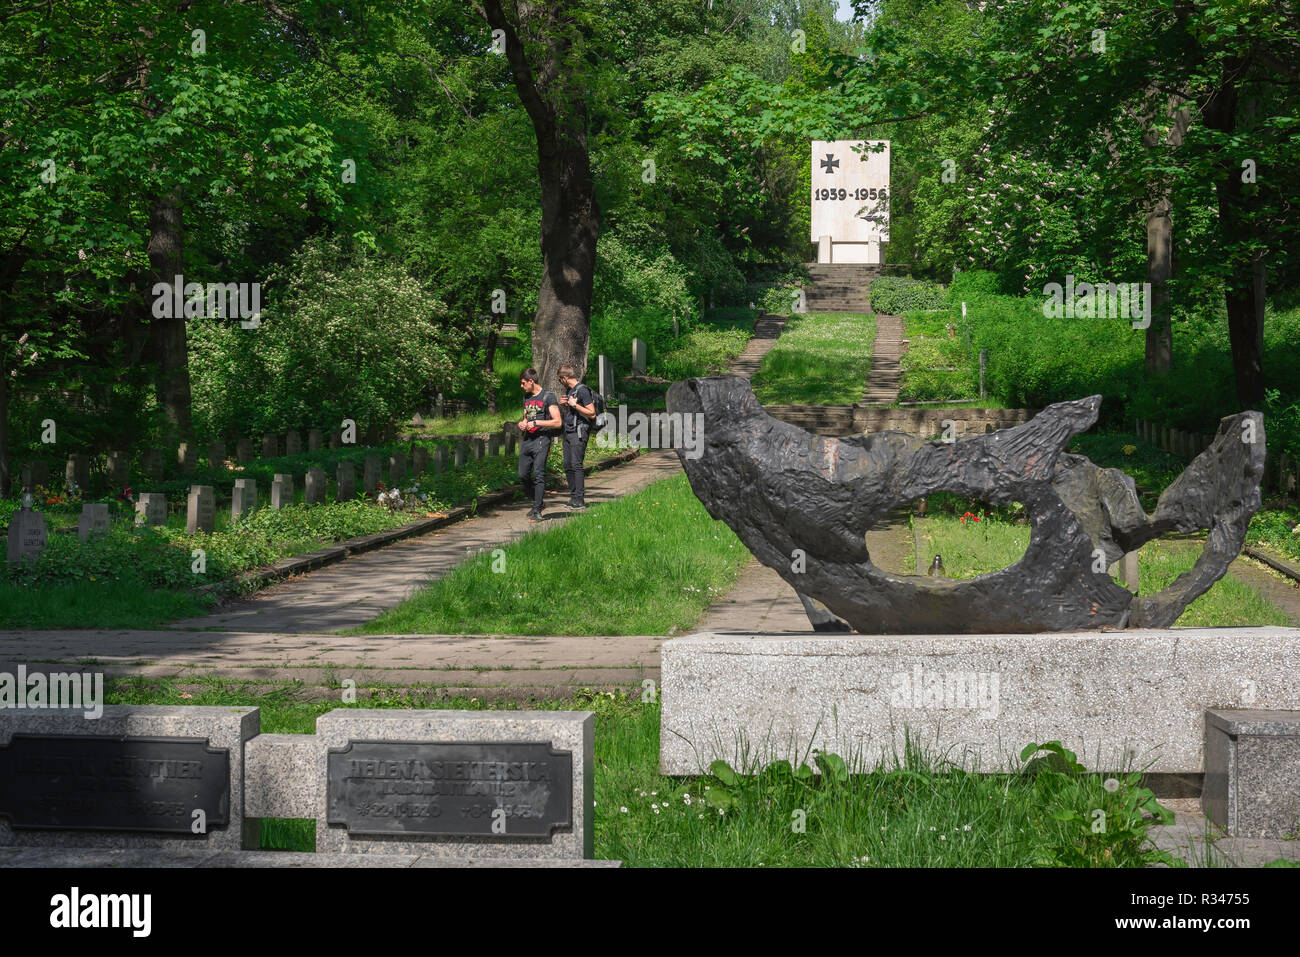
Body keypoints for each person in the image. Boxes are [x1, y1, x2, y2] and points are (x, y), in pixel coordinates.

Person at [516, 368, 562, 522]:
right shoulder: (526, 397)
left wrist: (536, 422)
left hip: (542, 439)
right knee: (522, 475)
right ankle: (539, 502)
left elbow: (557, 421)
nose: (521, 386)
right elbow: (525, 417)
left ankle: (537, 510)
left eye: (523, 383)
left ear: (531, 381)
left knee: (538, 474)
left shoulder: (548, 396)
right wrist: (522, 423)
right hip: (528, 439)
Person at [557, 364, 596, 510]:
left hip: (579, 432)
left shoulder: (583, 390)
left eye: (560, 380)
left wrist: (574, 405)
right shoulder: (569, 391)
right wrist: (565, 406)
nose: (560, 382)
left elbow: (591, 413)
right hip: (568, 431)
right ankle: (573, 497)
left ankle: (580, 499)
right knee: (567, 465)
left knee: (576, 464)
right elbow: (572, 412)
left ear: (565, 378)